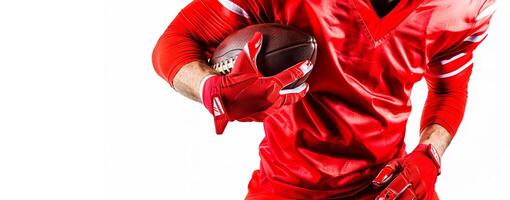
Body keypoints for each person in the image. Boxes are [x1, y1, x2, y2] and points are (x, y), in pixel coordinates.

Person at [152, 0, 496, 199]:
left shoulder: (467, 5)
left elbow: (449, 89)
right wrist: (214, 91)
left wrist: (429, 155)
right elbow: (178, 41)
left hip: (387, 187)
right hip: (286, 187)